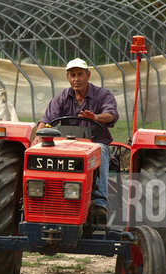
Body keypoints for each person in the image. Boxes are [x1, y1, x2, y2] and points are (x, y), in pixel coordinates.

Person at [33, 58, 119, 222]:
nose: (76, 79)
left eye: (80, 74)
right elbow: (46, 119)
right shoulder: (62, 98)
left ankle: (100, 204)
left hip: (95, 143)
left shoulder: (103, 95)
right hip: (67, 146)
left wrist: (95, 117)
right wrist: (38, 135)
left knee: (100, 150)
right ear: (68, 78)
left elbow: (111, 115)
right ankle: (47, 199)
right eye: (72, 75)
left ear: (88, 75)